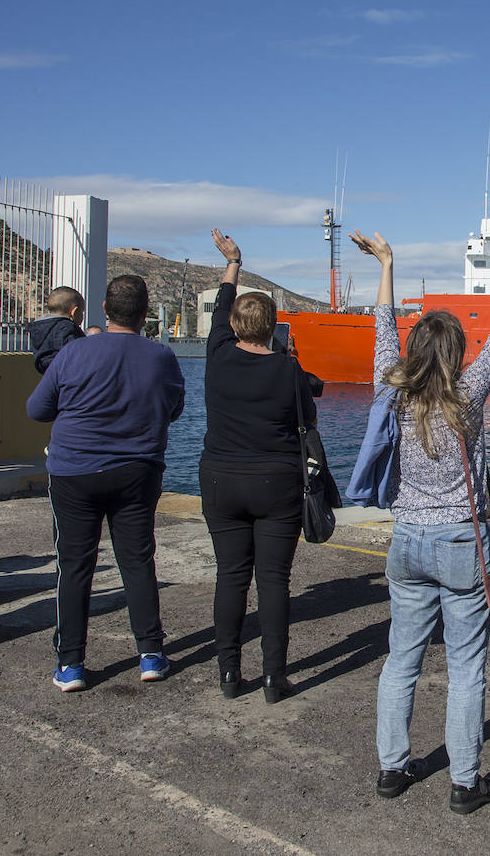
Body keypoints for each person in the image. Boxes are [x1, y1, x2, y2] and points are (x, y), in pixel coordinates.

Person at [353, 218, 490, 815]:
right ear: (460, 354)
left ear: (413, 353)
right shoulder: (469, 394)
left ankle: (392, 769)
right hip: (461, 543)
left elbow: (384, 329)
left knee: (401, 659)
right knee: (466, 669)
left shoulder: (396, 391)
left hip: (407, 539)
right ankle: (466, 783)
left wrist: (386, 263)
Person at [27, 274, 186, 692]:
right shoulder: (162, 356)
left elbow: (37, 409)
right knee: (137, 560)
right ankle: (151, 653)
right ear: (145, 311)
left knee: (75, 566)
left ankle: (71, 663)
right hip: (137, 471)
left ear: (104, 308)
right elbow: (174, 409)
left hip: (74, 471)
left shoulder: (74, 352)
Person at [199, 229, 314, 703]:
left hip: (221, 479)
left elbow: (223, 311)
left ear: (231, 325)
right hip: (276, 483)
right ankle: (273, 677)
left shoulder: (216, 357)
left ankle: (229, 673)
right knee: (273, 581)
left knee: (230, 576)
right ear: (273, 328)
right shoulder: (288, 370)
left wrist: (234, 263)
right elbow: (306, 421)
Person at [28, 286, 87, 373]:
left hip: (48, 375)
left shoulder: (38, 328)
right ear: (74, 312)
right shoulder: (67, 328)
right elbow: (76, 355)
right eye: (82, 312)